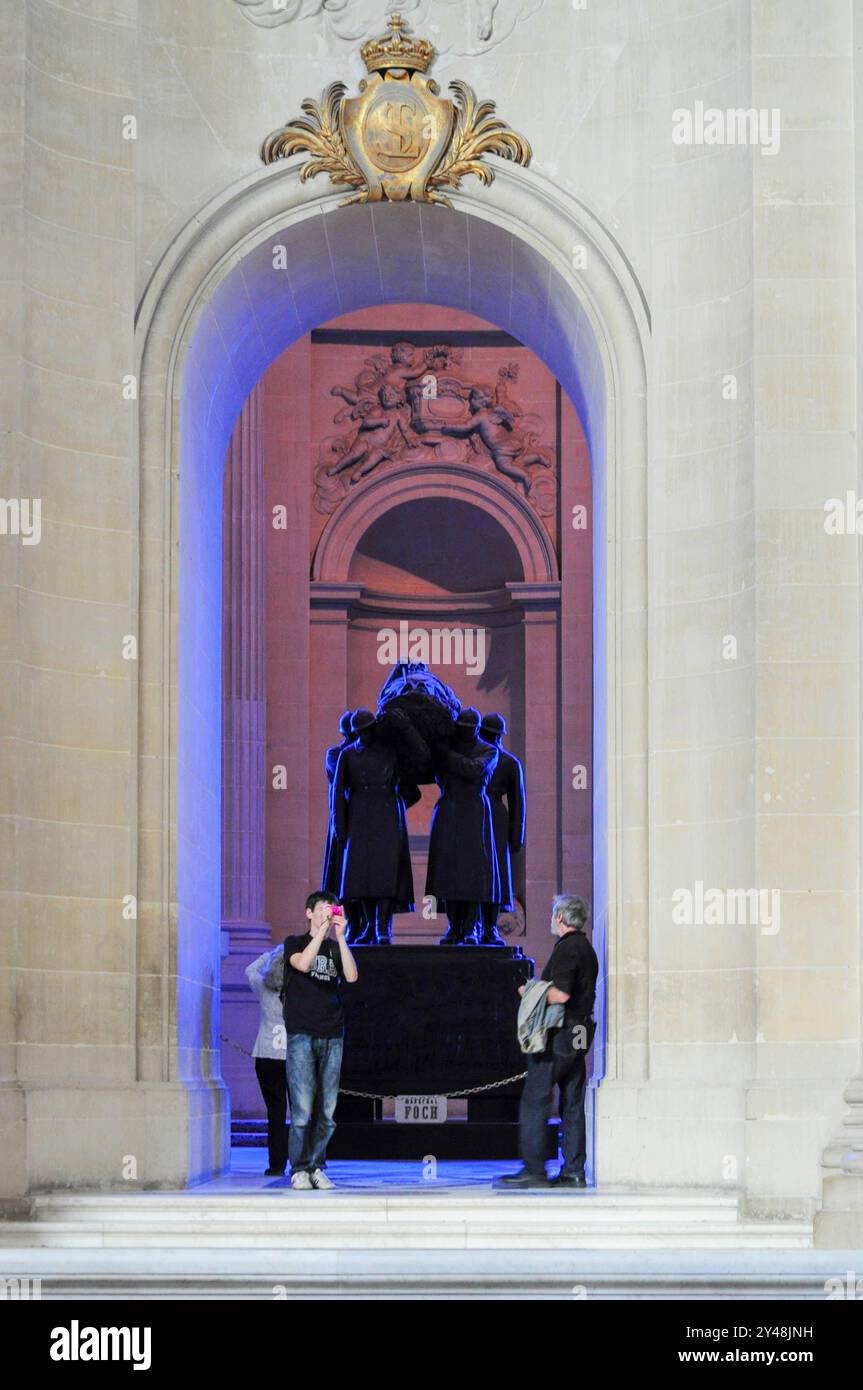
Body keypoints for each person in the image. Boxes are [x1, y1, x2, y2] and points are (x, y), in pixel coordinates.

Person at [496, 894, 598, 1188]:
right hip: (579, 1034)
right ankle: (574, 1171)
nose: (552, 919)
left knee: (535, 1100)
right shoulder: (587, 949)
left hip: (559, 1035)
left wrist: (529, 992)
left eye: (554, 914)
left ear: (561, 918)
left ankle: (534, 1171)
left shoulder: (567, 949)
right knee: (573, 1102)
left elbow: (561, 994)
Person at [273, 891, 359, 1190]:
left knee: (327, 1109)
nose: (326, 913)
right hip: (301, 1033)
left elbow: (350, 976)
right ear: (309, 912)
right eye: (322, 909)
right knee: (302, 1110)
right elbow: (303, 964)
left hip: (332, 1034)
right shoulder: (294, 943)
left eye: (330, 909)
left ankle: (317, 1165)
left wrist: (341, 937)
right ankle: (298, 1168)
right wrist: (321, 932)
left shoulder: (335, 948)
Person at [333, 708, 418, 945]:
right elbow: (338, 792)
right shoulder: (348, 755)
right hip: (359, 814)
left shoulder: (391, 751)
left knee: (385, 872)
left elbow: (418, 755)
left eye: (368, 730)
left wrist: (405, 728)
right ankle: (369, 925)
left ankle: (382, 927)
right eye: (361, 731)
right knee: (360, 876)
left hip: (387, 813)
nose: (365, 734)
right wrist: (339, 823)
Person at [425, 706, 499, 945]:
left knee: (473, 873)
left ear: (476, 730)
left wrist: (446, 755)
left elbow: (474, 770)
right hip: (448, 808)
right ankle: (453, 926)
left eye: (468, 730)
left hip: (473, 812)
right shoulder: (449, 748)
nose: (464, 733)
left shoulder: (488, 749)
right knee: (448, 872)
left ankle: (470, 927)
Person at [477, 711, 525, 946]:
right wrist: (516, 836)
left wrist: (516, 837)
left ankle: (487, 927)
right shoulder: (505, 761)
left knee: (494, 877)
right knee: (483, 875)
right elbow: (518, 805)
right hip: (485, 816)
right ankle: (480, 927)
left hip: (493, 818)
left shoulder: (508, 763)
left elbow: (518, 803)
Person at [245, 943, 288, 1177]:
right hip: (292, 1056)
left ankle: (276, 1164)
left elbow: (250, 970)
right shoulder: (297, 992)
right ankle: (305, 1162)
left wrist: (268, 955)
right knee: (301, 1113)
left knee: (276, 1113)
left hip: (266, 1056)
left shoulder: (262, 987)